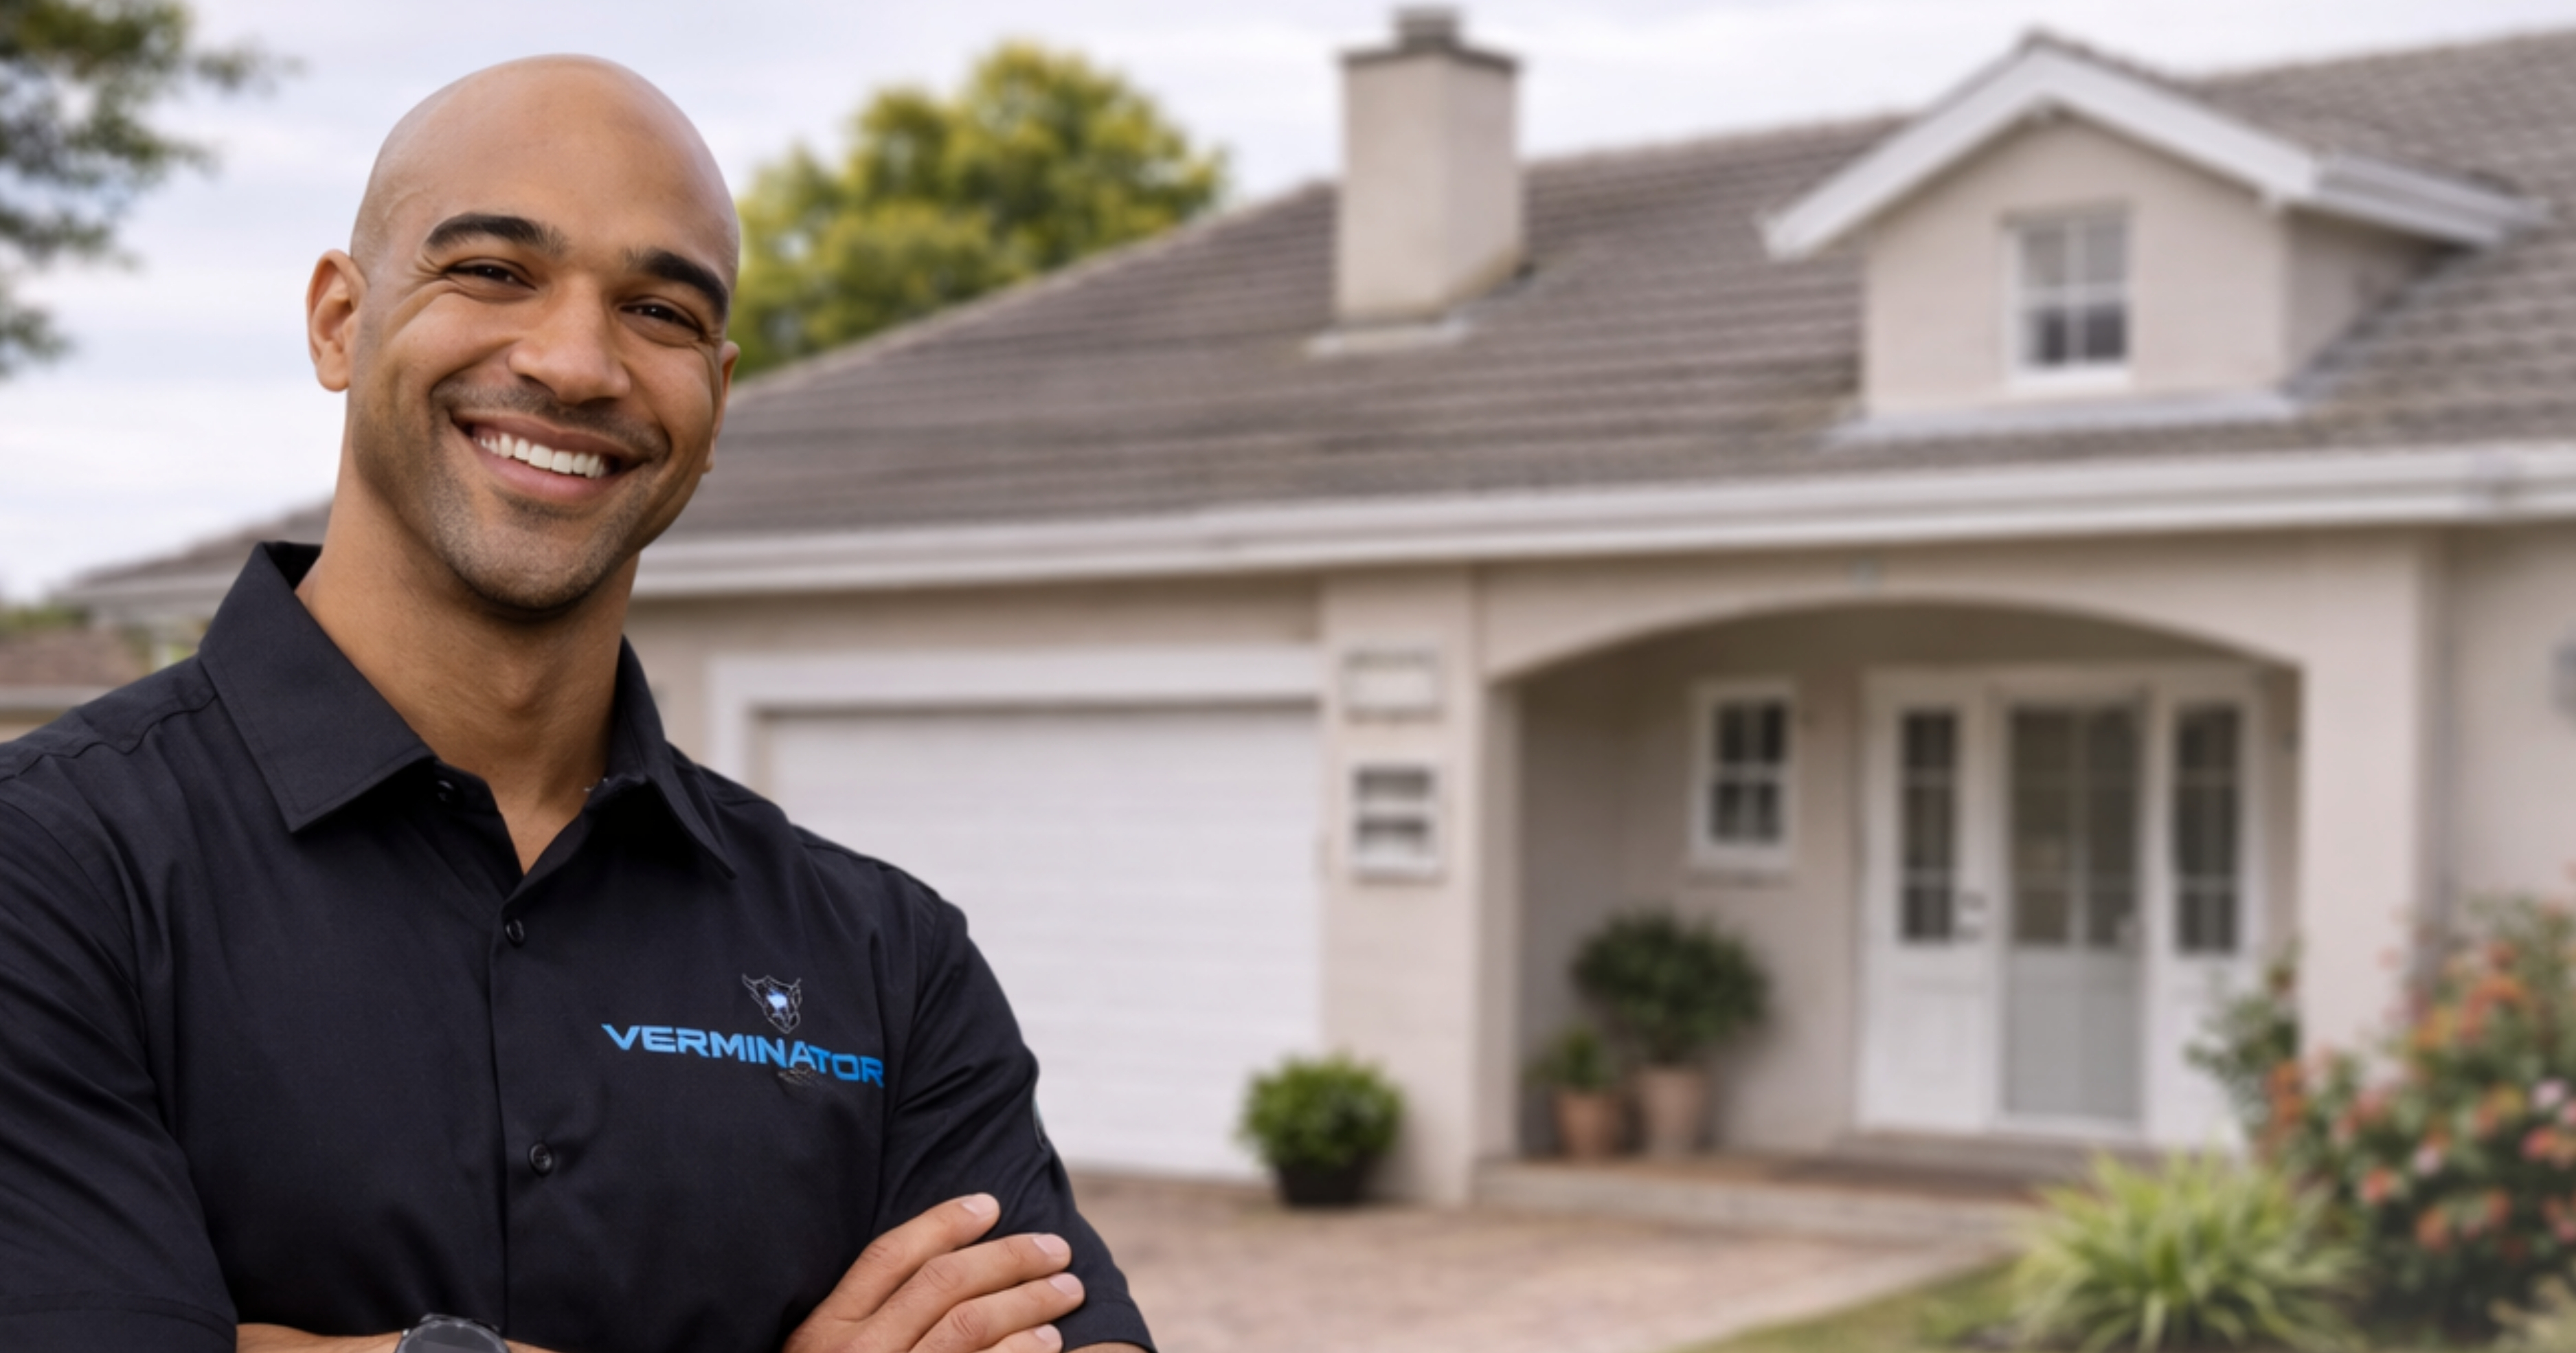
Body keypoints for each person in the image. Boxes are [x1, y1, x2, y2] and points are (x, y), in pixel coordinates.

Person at [0, 56, 1151, 1353]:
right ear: (338, 318)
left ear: (714, 401)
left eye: (658, 310)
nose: (574, 362)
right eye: (493, 270)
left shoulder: (887, 959)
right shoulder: (47, 872)